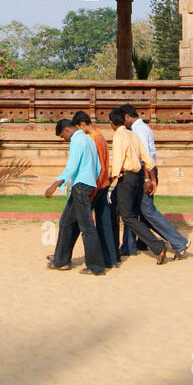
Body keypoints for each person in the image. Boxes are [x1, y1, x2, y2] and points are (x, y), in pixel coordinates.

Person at [120, 103, 191, 260]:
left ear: (127, 117)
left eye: (122, 119)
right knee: (137, 210)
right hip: (144, 173)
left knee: (147, 210)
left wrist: (147, 179)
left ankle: (179, 242)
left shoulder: (139, 130)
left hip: (146, 172)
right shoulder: (140, 128)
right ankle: (135, 244)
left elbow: (146, 158)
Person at [49, 111, 117, 268]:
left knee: (87, 227)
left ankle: (96, 266)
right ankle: (61, 260)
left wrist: (55, 184)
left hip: (81, 186)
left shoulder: (77, 140)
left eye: (62, 136)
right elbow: (98, 167)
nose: (64, 140)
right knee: (66, 222)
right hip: (86, 185)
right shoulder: (89, 140)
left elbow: (71, 166)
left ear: (66, 130)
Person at [107, 107, 168, 264]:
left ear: (112, 122)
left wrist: (110, 180)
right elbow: (148, 159)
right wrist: (151, 179)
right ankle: (113, 249)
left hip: (126, 178)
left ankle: (157, 245)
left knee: (127, 216)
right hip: (136, 177)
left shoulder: (119, 135)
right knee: (114, 209)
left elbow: (118, 160)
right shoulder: (133, 135)